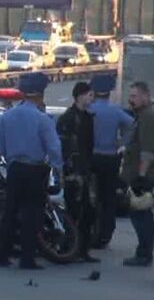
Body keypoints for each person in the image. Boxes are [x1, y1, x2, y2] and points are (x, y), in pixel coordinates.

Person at [0, 72, 63, 270]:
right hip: (35, 171)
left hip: (14, 169)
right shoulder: (43, 119)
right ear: (40, 95)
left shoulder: (8, 116)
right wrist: (58, 171)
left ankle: (1, 256)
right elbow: (54, 149)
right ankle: (27, 259)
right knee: (32, 215)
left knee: (10, 213)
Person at [89, 75, 134, 247]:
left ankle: (90, 231)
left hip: (92, 158)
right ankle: (105, 234)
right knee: (108, 198)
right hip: (110, 158)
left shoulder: (89, 110)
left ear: (93, 92)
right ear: (109, 93)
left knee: (92, 196)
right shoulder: (115, 111)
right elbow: (132, 125)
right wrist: (122, 142)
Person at [56, 82, 99, 263]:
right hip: (73, 172)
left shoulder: (88, 118)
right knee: (73, 210)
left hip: (86, 170)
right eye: (89, 95)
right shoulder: (68, 118)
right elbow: (63, 146)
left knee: (89, 211)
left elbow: (89, 146)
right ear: (80, 96)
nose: (92, 98)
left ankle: (83, 249)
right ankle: (68, 247)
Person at [120, 81, 154, 267]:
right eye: (130, 96)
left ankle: (144, 253)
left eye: (135, 96)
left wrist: (142, 177)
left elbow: (147, 150)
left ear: (146, 96)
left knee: (142, 214)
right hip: (135, 173)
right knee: (138, 214)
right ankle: (143, 251)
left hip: (142, 174)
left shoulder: (149, 117)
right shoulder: (141, 115)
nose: (131, 100)